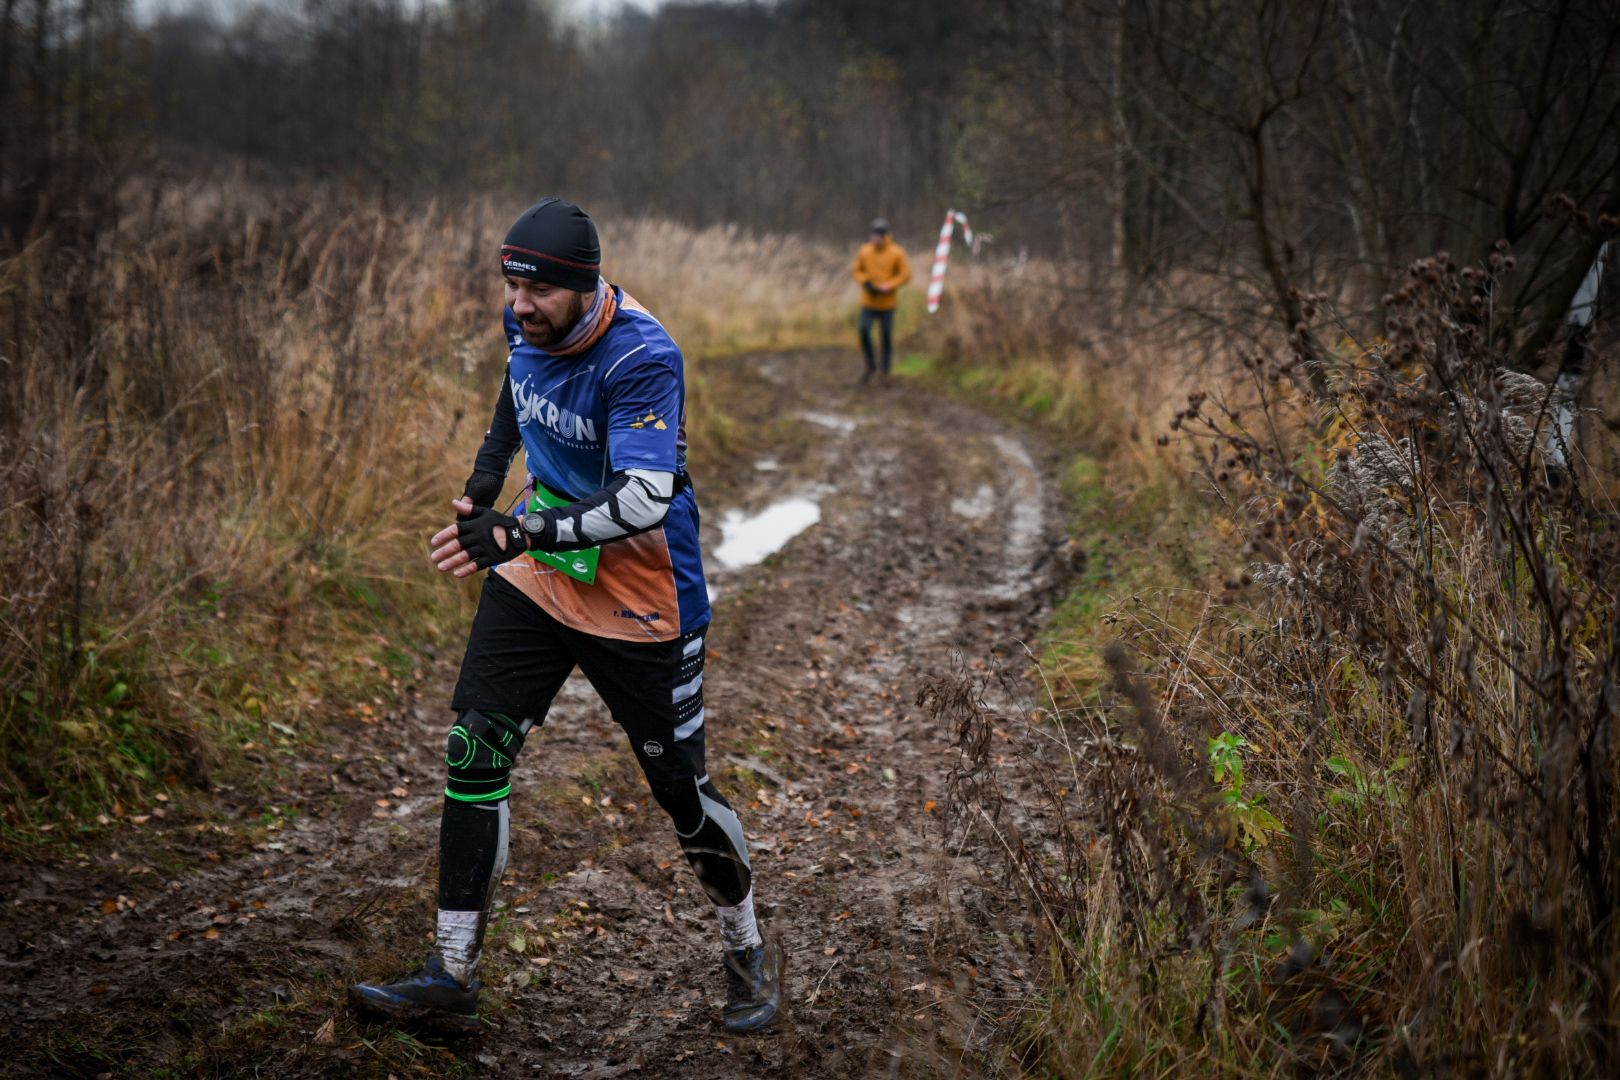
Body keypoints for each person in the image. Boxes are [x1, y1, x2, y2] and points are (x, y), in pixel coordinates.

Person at [348, 197, 782, 1035]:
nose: (520, 306)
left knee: (679, 791)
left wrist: (518, 527)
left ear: (583, 288)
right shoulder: (530, 325)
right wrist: (485, 480)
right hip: (544, 569)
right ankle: (452, 974)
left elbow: (646, 499)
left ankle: (747, 949)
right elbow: (518, 391)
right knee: (475, 743)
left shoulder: (643, 356)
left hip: (643, 591)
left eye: (539, 292)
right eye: (511, 288)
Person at [850, 218, 911, 383]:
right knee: (863, 331)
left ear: (885, 235)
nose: (875, 238)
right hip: (868, 302)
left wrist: (890, 285)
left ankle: (885, 372)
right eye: (873, 234)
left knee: (886, 337)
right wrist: (865, 281)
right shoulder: (865, 251)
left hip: (887, 304)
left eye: (879, 235)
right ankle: (870, 365)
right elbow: (856, 270)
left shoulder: (897, 252)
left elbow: (905, 275)